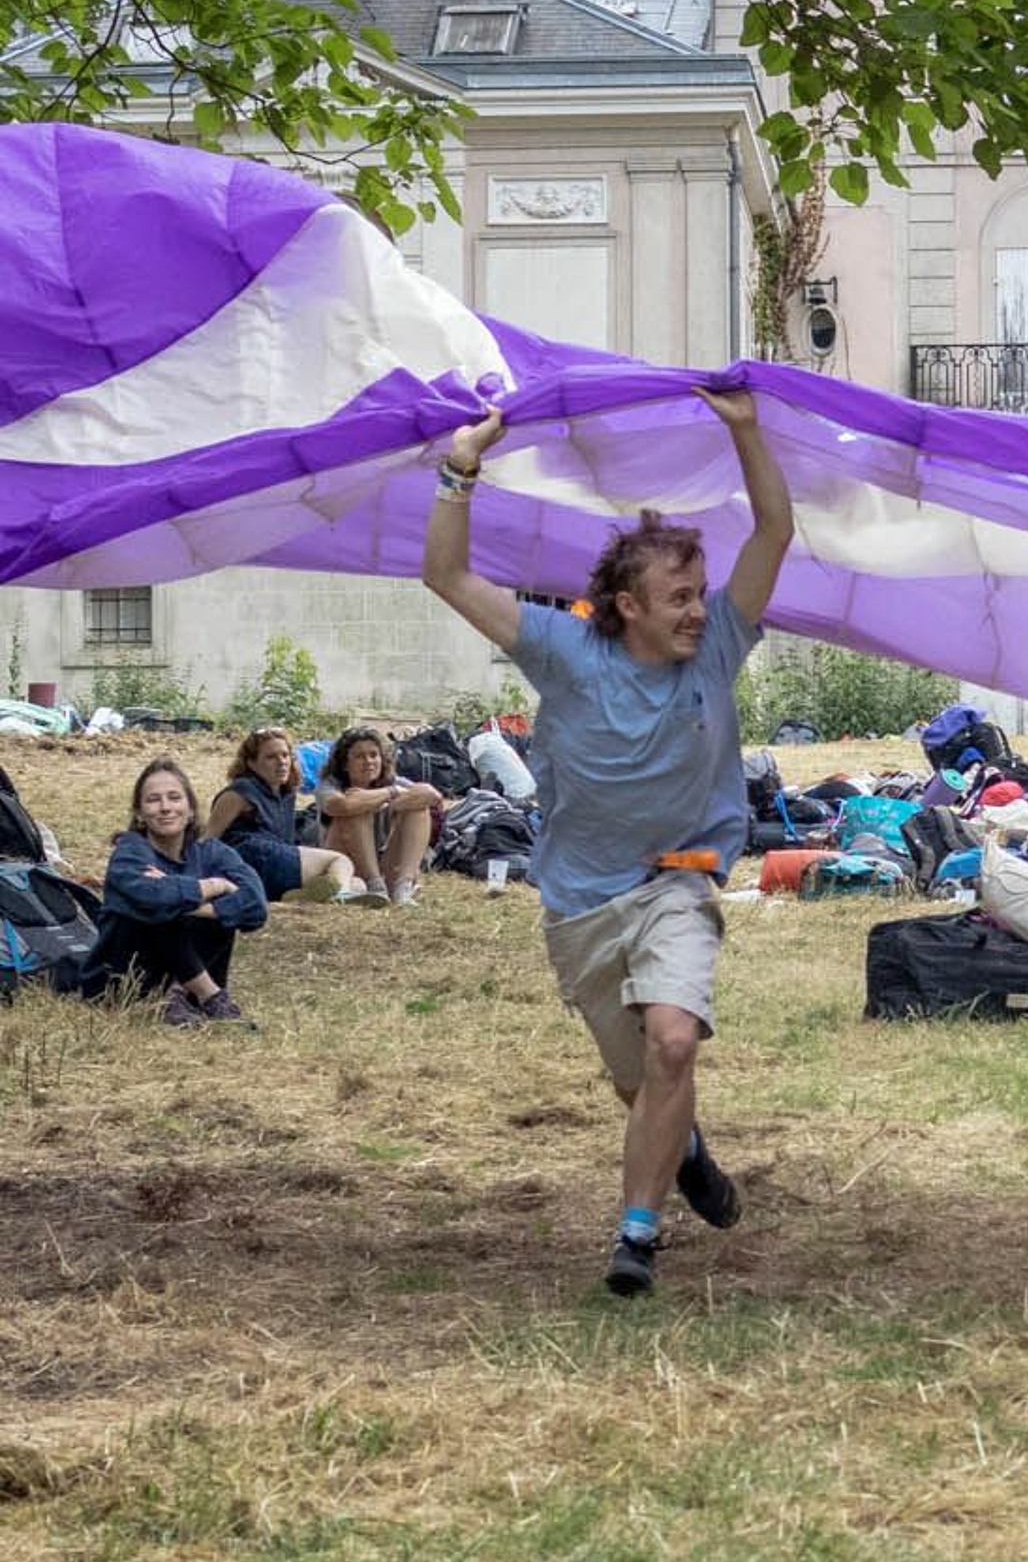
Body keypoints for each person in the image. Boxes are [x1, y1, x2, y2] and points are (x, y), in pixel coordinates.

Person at [421, 386, 792, 1296]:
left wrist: (745, 431)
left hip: (678, 881)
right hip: (582, 904)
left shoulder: (718, 650)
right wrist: (460, 469)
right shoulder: (563, 650)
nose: (698, 610)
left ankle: (637, 1235)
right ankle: (687, 1150)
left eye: (699, 594)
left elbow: (774, 536)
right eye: (678, 597)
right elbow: (448, 577)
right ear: (625, 605)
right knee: (642, 1089)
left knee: (672, 1046)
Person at [75, 758, 267, 1026]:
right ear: (139, 813)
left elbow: (256, 907)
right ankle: (209, 996)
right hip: (122, 984)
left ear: (190, 809)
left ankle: (180, 994)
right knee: (156, 907)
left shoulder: (212, 853)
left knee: (183, 903)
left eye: (174, 798)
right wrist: (216, 886)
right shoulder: (130, 852)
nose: (165, 808)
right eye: (153, 800)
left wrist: (190, 899)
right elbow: (153, 898)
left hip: (183, 988)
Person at [206, 727, 363, 905]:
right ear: (251, 763)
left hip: (276, 860)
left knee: (358, 885)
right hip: (250, 859)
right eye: (271, 757)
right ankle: (338, 899)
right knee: (340, 861)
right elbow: (208, 839)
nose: (281, 762)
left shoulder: (285, 792)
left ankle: (300, 896)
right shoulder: (240, 792)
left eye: (285, 755)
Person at [318, 726, 447, 904]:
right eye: (359, 756)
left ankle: (403, 887)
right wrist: (389, 794)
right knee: (355, 809)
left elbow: (433, 796)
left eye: (373, 755)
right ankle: (374, 886)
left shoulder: (391, 783)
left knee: (418, 809)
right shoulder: (330, 785)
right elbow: (341, 805)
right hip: (344, 861)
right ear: (345, 764)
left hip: (384, 862)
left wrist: (392, 802)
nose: (369, 761)